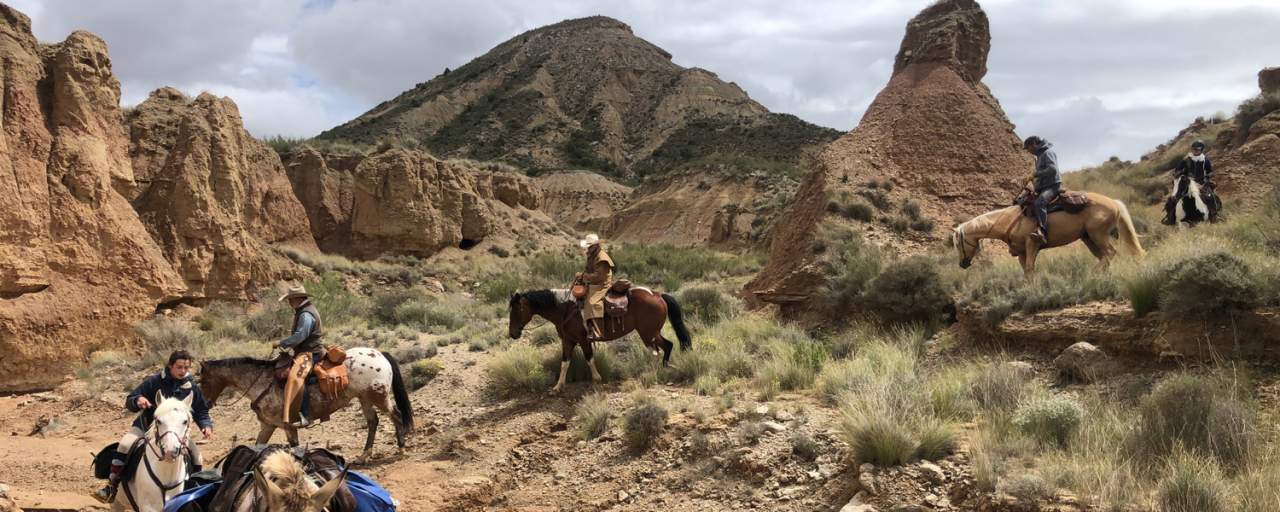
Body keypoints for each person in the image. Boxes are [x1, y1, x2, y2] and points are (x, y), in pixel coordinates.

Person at [95, 350, 213, 503]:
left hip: (175, 433)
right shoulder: (154, 381)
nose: (183, 371)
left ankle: (194, 494)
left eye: (186, 368)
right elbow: (131, 398)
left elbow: (201, 410)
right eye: (179, 367)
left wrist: (206, 425)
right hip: (146, 427)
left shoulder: (191, 387)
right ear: (170, 366)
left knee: (197, 457)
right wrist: (138, 400)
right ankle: (111, 486)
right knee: (125, 445)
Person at [276, 285, 325, 428]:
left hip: (310, 352)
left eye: (291, 299)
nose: (289, 303)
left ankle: (307, 416)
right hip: (306, 351)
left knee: (295, 377)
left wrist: (282, 342)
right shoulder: (304, 311)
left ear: (298, 298)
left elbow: (300, 336)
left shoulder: (305, 314)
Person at [1162, 140, 1217, 224]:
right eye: (1194, 149)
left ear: (1201, 150)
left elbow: (1210, 171)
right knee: (1172, 199)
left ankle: (1213, 215)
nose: (1195, 151)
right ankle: (1170, 218)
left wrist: (1210, 175)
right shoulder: (1185, 160)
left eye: (1197, 149)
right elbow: (1176, 171)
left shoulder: (1205, 160)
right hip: (1187, 183)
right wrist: (1180, 172)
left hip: (1201, 183)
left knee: (1211, 196)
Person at [1021, 135, 1061, 246]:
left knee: (1039, 203)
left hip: (1053, 186)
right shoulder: (1039, 156)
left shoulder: (1047, 153)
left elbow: (1053, 169)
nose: (1028, 151)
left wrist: (1035, 174)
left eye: (1028, 148)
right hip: (1044, 187)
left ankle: (1043, 232)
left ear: (1034, 144)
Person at [574, 234, 614, 341]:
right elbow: (589, 271)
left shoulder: (602, 258)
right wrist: (581, 277)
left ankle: (598, 331)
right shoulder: (592, 256)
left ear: (596, 246)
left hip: (602, 284)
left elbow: (599, 277)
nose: (588, 248)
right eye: (588, 246)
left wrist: (583, 276)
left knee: (592, 301)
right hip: (594, 282)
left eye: (590, 246)